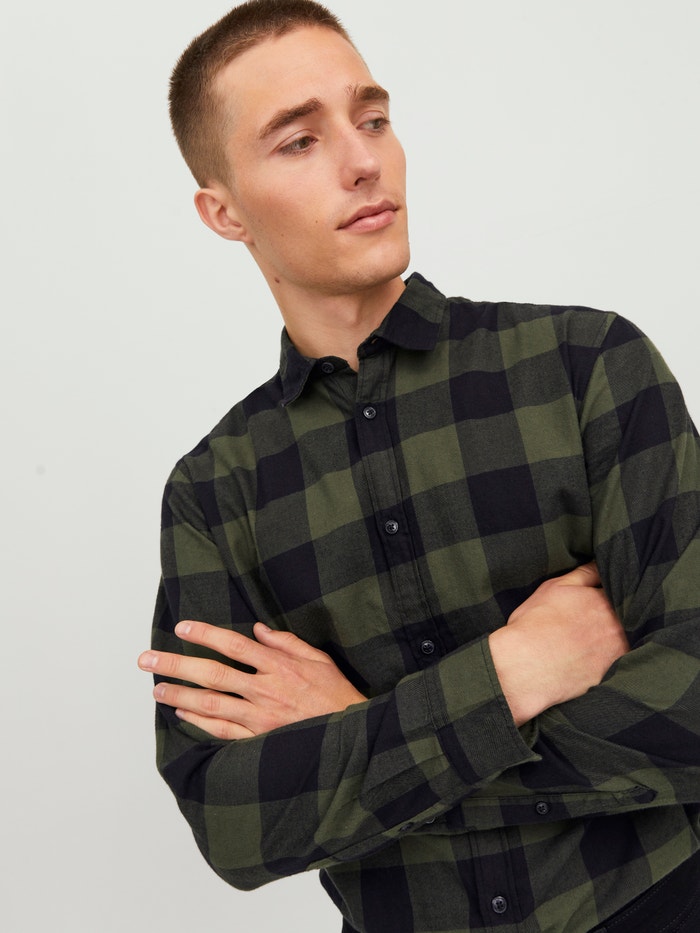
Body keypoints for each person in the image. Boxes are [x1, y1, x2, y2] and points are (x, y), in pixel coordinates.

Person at [138, 2, 700, 930]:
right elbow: (234, 824)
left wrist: (360, 729)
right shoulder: (215, 491)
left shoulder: (585, 364)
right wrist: (513, 671)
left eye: (371, 118)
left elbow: (690, 707)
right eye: (299, 141)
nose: (363, 160)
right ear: (224, 211)